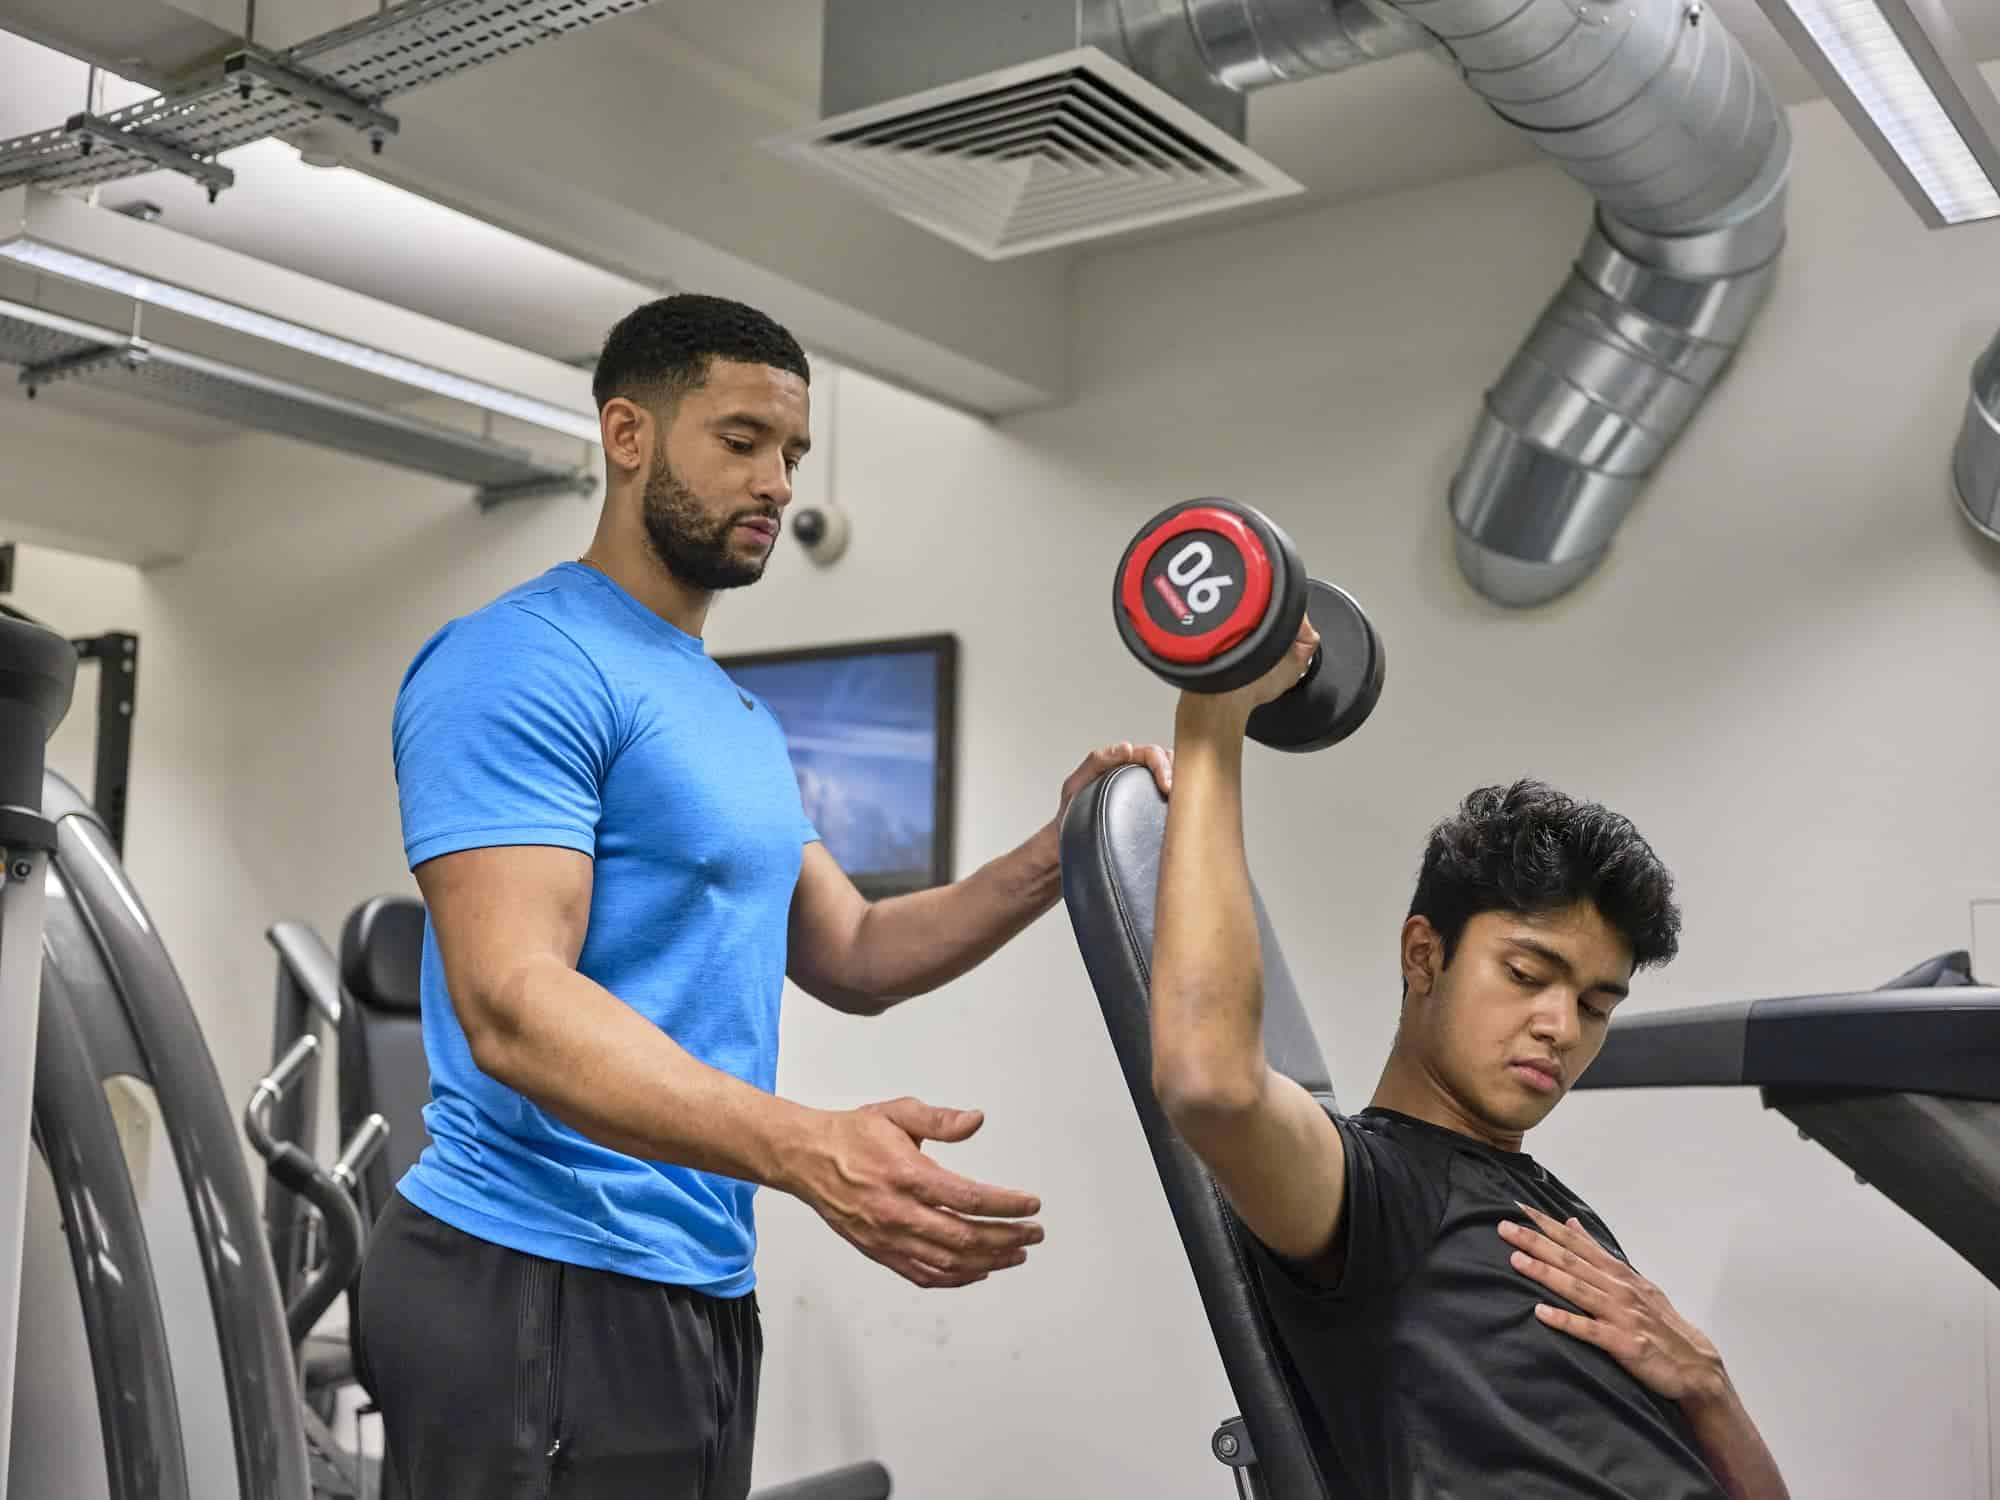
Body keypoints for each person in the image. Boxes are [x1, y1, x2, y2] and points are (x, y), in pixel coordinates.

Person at [353, 292, 1170, 1500]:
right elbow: (512, 1003)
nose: (777, 482)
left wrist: (1059, 851)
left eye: (789, 452)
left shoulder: (728, 714)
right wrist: (808, 1149)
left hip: (692, 1277)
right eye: (739, 441)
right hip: (530, 1271)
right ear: (626, 436)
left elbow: (856, 950)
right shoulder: (519, 661)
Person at [1146, 615, 1790, 1499]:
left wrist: (1710, 1389)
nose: (1562, 1026)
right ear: (1424, 955)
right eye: (1528, 973)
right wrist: (1213, 713)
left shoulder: (1557, 1217)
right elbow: (1210, 1083)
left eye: (1598, 1003)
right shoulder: (1379, 1192)